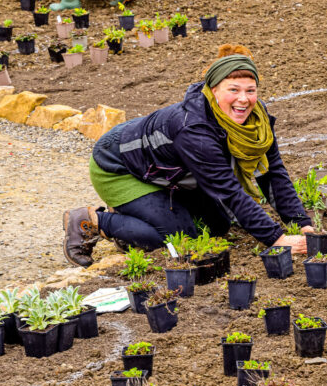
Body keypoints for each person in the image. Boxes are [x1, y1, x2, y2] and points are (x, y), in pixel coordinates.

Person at [62, 45, 312, 267]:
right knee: (179, 238)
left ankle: (136, 219)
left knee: (217, 227)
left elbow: (272, 170)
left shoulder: (257, 119)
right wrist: (278, 239)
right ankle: (93, 221)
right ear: (213, 90)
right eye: (233, 90)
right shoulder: (194, 129)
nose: (243, 99)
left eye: (251, 90)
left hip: (166, 170)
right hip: (119, 166)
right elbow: (227, 190)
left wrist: (301, 223)